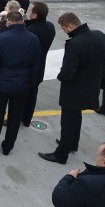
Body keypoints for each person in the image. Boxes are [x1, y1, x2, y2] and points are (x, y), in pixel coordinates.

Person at [39, 13, 105, 165]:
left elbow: (68, 73)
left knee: (68, 122)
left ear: (69, 26)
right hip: (91, 87)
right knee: (77, 115)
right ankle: (73, 143)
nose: (65, 31)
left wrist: (60, 76)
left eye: (64, 29)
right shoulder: (99, 35)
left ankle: (61, 154)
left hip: (74, 91)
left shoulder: (74, 44)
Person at [0, 11, 42, 156]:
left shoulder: (1, 38)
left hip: (2, 83)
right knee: (14, 117)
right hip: (22, 85)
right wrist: (32, 83)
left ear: (8, 22)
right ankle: (8, 147)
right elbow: (36, 64)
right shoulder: (33, 39)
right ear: (22, 22)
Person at [22, 1, 56, 126]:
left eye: (31, 10)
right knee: (32, 94)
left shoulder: (30, 31)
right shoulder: (50, 27)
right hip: (40, 67)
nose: (28, 12)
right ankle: (27, 119)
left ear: (35, 15)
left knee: (21, 96)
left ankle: (15, 118)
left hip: (28, 69)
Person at [51, 142, 105, 207]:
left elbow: (59, 198)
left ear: (104, 161)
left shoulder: (89, 183)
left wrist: (69, 177)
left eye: (97, 156)